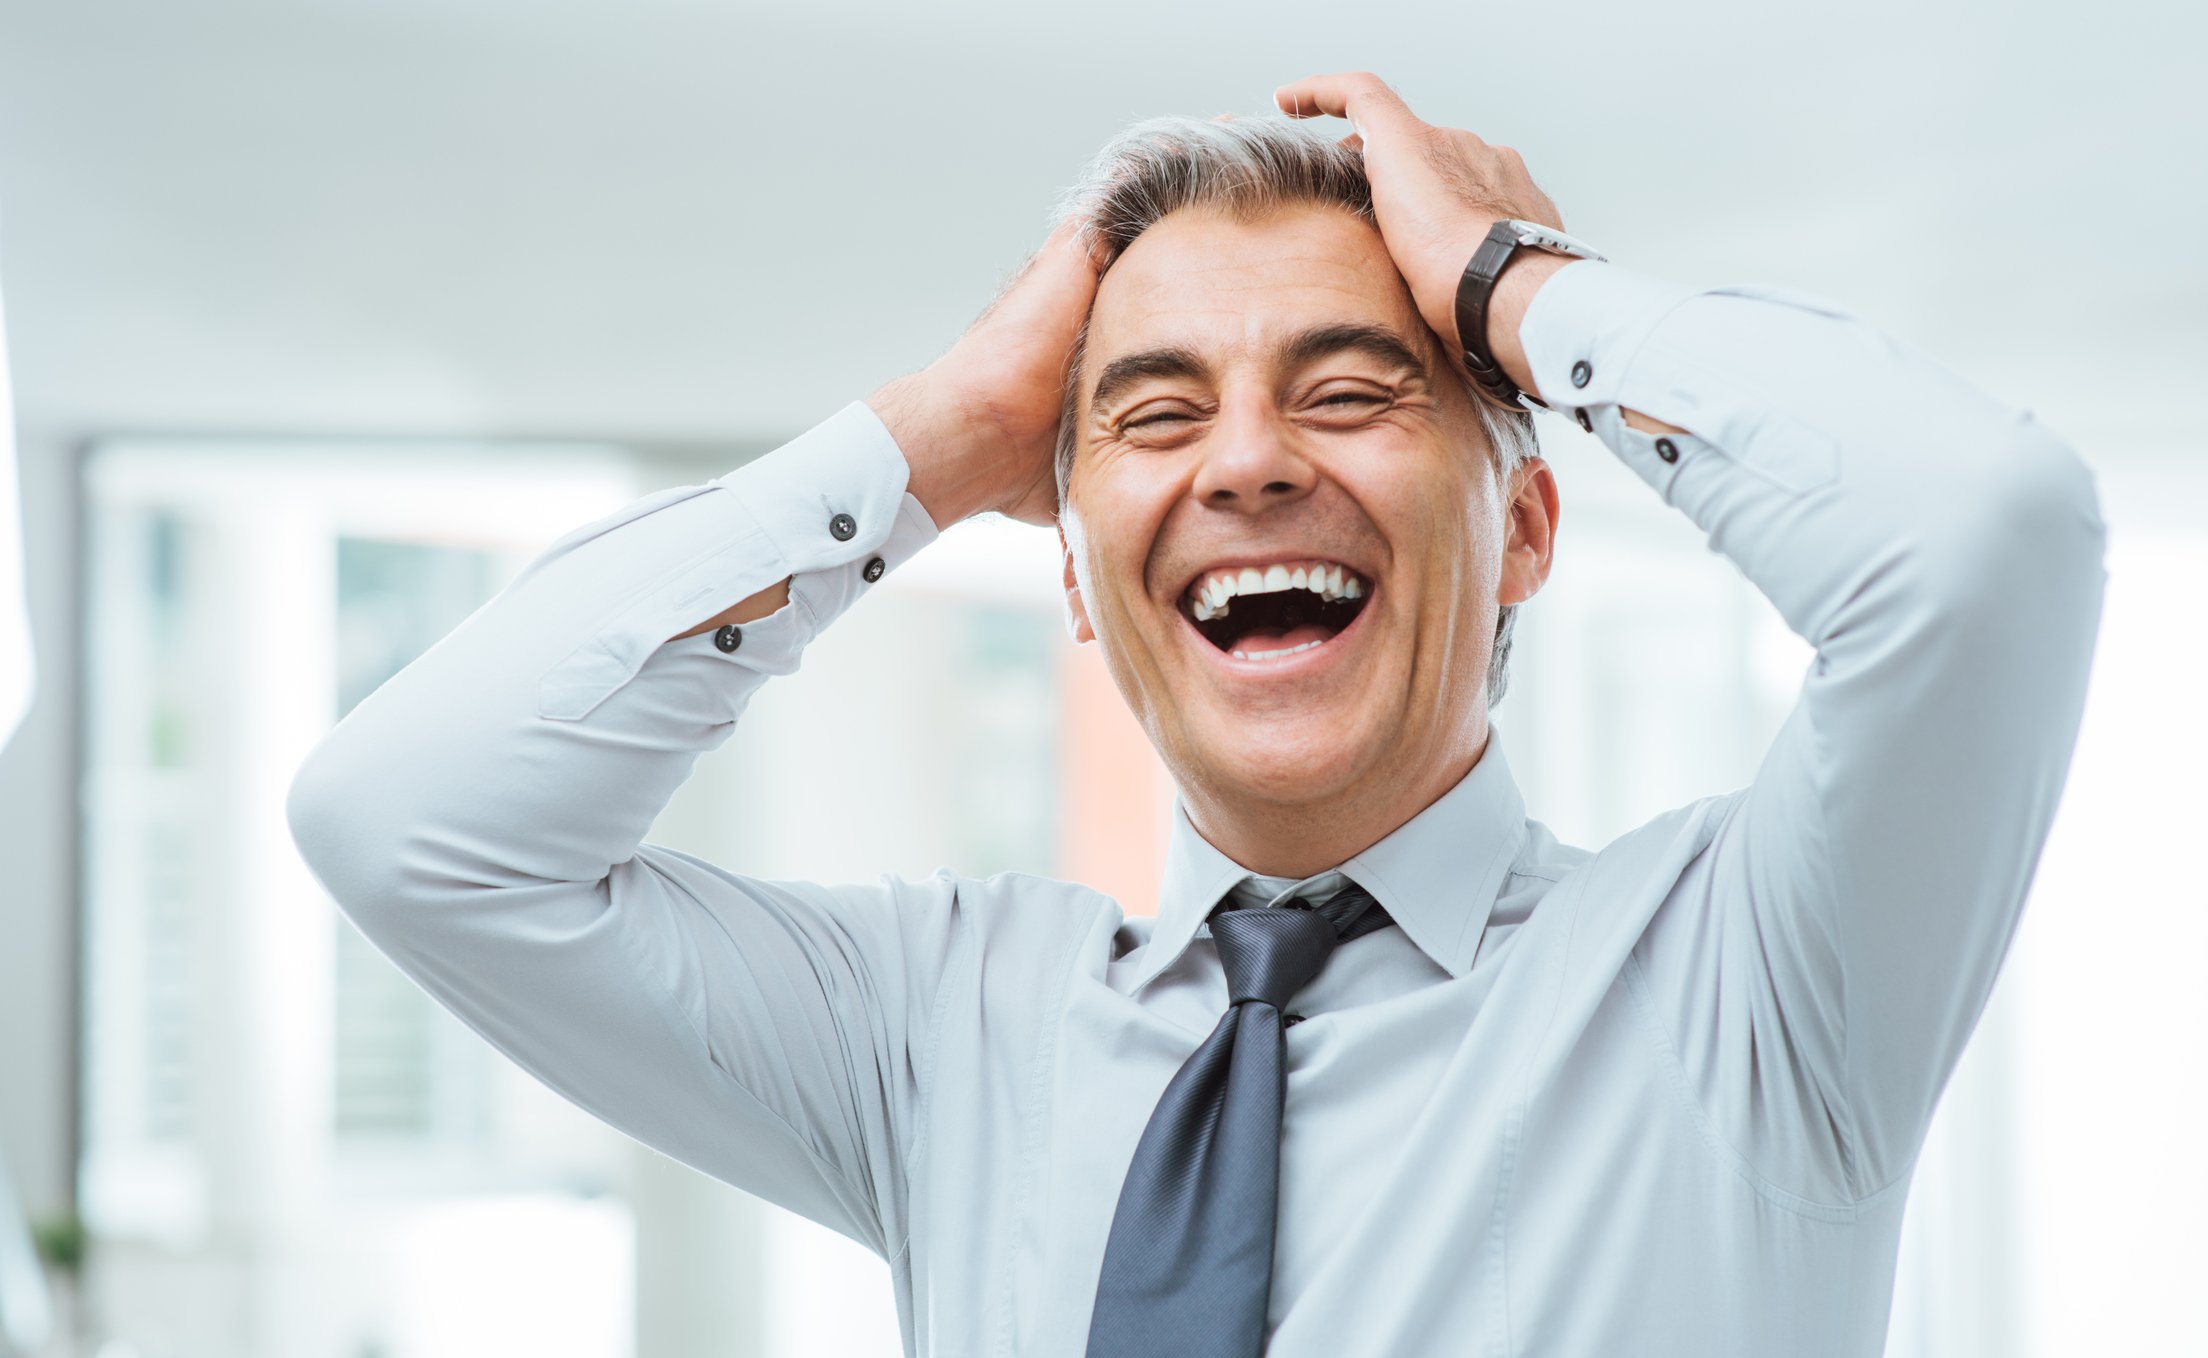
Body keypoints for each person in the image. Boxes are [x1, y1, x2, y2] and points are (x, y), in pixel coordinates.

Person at [287, 72, 2108, 1358]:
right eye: (1155, 417)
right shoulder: (939, 1039)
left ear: (1529, 529)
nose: (1246, 458)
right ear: (1082, 581)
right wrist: (932, 438)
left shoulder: (1758, 983)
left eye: (1348, 388)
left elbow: (1980, 535)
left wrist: (1510, 281)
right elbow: (404, 822)